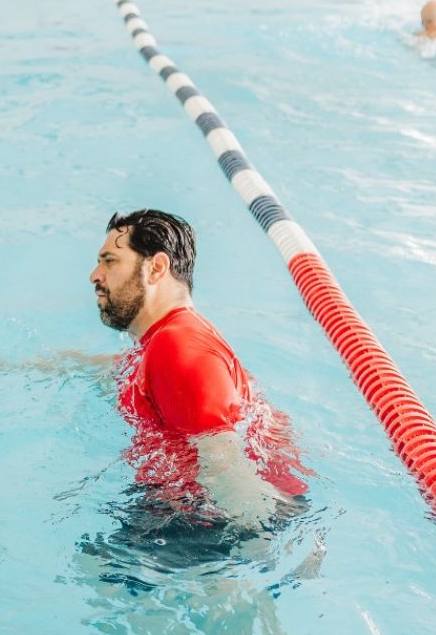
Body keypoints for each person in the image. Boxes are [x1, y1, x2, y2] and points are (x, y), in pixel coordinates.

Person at [88, 210, 308, 525]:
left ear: (156, 268)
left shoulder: (177, 348)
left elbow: (227, 469)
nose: (95, 274)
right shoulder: (163, 342)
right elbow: (112, 369)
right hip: (192, 513)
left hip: (215, 527)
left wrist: (249, 559)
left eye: (110, 261)